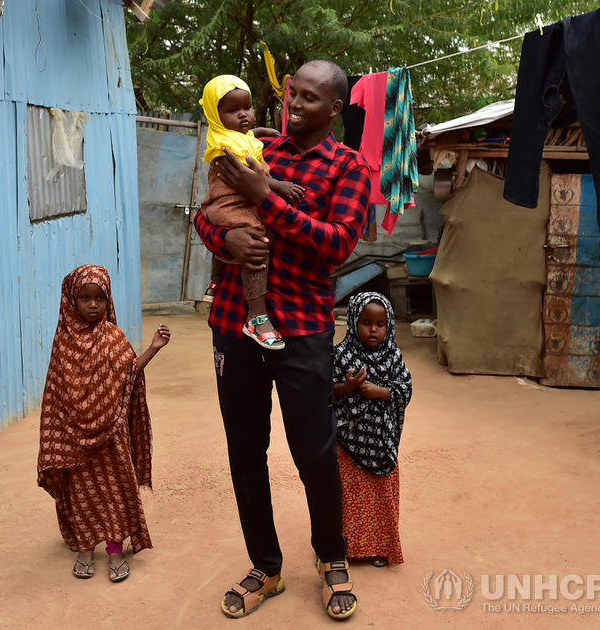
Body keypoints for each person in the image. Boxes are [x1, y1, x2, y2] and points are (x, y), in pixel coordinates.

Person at [193, 59, 370, 620]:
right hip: (234, 323)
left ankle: (330, 557)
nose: (294, 105)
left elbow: (335, 244)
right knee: (245, 450)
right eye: (292, 93)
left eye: (310, 99)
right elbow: (203, 216)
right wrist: (226, 243)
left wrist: (263, 197)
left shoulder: (351, 168)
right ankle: (266, 567)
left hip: (302, 328)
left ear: (335, 109)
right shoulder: (253, 148)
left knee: (313, 450)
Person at [37, 264, 171, 583]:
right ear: (72, 300)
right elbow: (57, 390)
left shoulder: (112, 336)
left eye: (99, 298)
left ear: (107, 300)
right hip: (74, 437)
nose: (93, 304)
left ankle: (113, 550)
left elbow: (128, 373)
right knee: (80, 491)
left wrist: (153, 348)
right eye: (85, 298)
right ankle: (85, 548)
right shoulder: (64, 342)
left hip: (111, 434)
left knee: (114, 491)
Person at [197, 74, 304, 351]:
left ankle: (215, 283)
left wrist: (257, 133)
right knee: (256, 239)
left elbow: (239, 138)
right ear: (214, 114)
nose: (243, 115)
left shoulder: (227, 135)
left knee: (237, 233)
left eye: (247, 107)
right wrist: (278, 186)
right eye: (232, 111)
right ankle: (256, 316)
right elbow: (249, 175)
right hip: (230, 203)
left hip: (221, 204)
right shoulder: (228, 146)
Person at [333, 292, 412, 568]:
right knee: (348, 494)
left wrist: (380, 392)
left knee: (380, 496)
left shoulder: (393, 355)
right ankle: (342, 548)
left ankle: (380, 547)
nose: (374, 329)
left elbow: (405, 387)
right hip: (347, 440)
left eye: (380, 324)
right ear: (354, 321)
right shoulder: (341, 354)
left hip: (380, 442)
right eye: (366, 322)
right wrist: (348, 387)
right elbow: (325, 389)